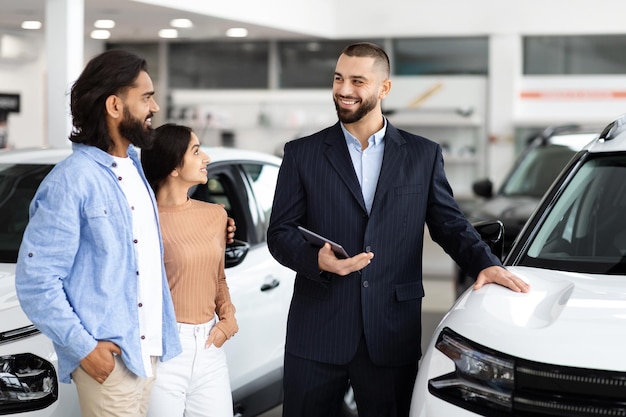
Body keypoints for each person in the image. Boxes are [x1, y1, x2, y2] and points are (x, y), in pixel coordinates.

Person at [266, 42, 531, 417]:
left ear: (384, 89)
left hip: (390, 332)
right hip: (317, 334)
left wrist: (484, 263)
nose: (343, 90)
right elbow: (279, 233)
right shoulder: (301, 154)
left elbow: (449, 224)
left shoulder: (422, 155)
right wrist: (318, 260)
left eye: (358, 81)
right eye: (339, 78)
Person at [14, 50, 182, 417]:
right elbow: (36, 280)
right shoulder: (72, 180)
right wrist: (85, 349)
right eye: (146, 97)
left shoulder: (135, 168)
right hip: (110, 363)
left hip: (145, 355)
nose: (154, 107)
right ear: (114, 105)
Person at [141, 123, 239, 417]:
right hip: (163, 353)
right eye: (196, 151)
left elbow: (217, 277)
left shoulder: (216, 215)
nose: (206, 157)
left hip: (210, 347)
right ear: (173, 167)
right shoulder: (143, 222)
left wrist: (228, 318)